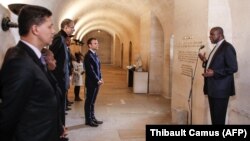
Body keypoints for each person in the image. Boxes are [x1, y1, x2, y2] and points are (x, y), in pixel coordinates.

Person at [0, 5, 66, 141]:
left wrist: (57, 126)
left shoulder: (33, 57)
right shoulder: (20, 62)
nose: (54, 31)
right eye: (50, 27)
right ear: (35, 29)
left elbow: (38, 102)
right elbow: (8, 116)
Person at [198, 26, 238, 125]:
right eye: (210, 34)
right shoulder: (217, 47)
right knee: (215, 118)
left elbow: (233, 68)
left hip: (221, 91)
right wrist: (205, 61)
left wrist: (215, 73)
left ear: (220, 35)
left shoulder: (227, 47)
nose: (210, 36)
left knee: (219, 119)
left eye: (212, 34)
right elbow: (216, 65)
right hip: (213, 89)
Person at [49, 18, 75, 123]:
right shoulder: (59, 38)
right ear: (65, 27)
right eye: (72, 27)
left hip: (62, 76)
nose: (74, 29)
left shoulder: (63, 38)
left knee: (62, 105)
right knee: (59, 106)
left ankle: (61, 129)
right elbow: (51, 56)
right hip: (58, 77)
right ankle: (59, 131)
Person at [84, 37, 104, 127]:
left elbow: (98, 69)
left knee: (93, 101)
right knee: (89, 101)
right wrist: (97, 79)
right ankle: (88, 120)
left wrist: (101, 78)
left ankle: (92, 117)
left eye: (97, 43)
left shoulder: (95, 54)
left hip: (96, 82)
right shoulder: (88, 56)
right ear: (89, 45)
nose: (97, 44)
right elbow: (90, 70)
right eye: (95, 43)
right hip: (91, 82)